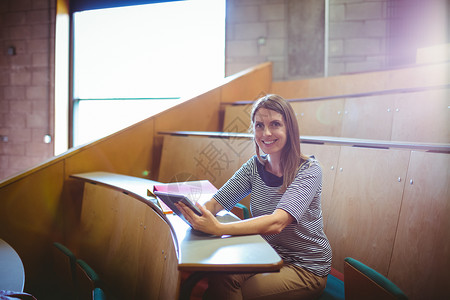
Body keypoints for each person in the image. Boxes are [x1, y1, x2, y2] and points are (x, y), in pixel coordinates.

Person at [176, 94, 332, 300]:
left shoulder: (309, 170)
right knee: (221, 278)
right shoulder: (254, 166)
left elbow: (277, 222)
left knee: (228, 293)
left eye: (275, 124)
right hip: (266, 253)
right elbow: (217, 202)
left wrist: (218, 229)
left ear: (290, 129)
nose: (266, 133)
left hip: (305, 266)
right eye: (259, 125)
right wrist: (196, 212)